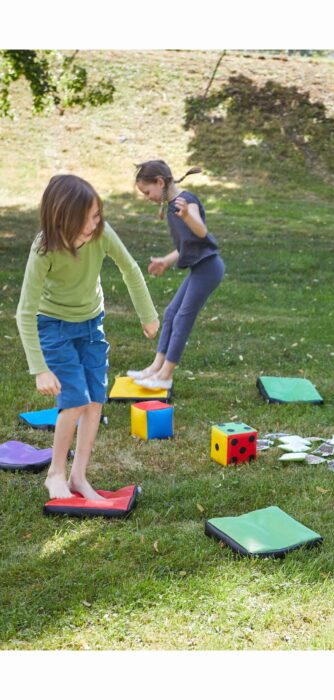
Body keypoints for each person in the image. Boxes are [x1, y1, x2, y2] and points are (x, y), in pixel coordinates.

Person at [16, 174, 159, 500]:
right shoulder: (44, 250)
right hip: (54, 326)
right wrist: (39, 368)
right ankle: (55, 473)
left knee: (95, 399)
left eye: (97, 216)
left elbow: (130, 269)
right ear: (62, 220)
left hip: (91, 324)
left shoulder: (102, 234)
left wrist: (147, 314)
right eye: (87, 219)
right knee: (75, 399)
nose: (95, 224)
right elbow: (25, 311)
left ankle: (78, 477)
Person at [128, 161, 225, 389]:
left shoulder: (185, 202)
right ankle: (156, 368)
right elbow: (186, 245)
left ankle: (166, 376)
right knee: (171, 313)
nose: (147, 197)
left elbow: (201, 230)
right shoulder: (173, 205)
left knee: (183, 317)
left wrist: (187, 216)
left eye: (147, 191)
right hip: (200, 267)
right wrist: (165, 260)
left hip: (209, 267)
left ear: (160, 182)